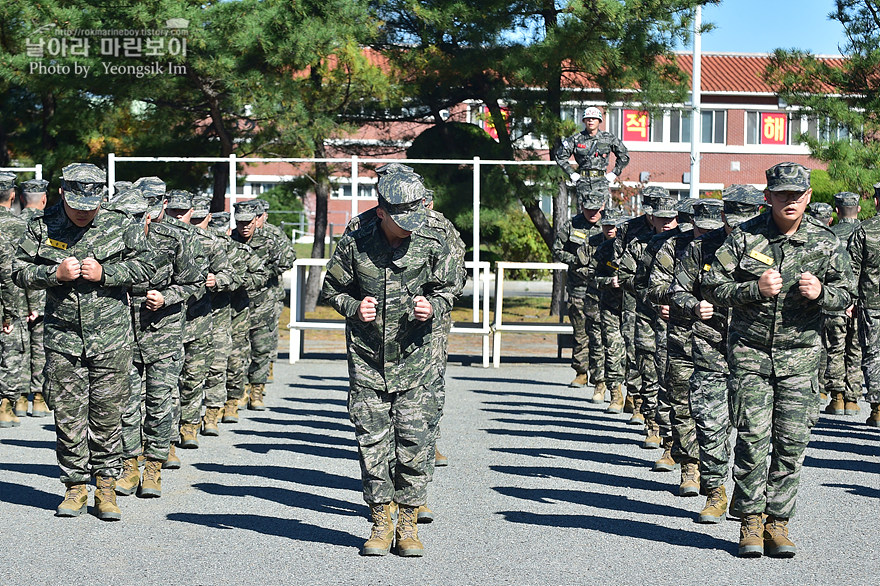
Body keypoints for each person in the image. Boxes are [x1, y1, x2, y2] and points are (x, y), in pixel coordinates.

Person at [702, 163, 855, 558]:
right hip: (750, 352)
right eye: (782, 193)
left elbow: (846, 294)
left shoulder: (825, 242)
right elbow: (714, 286)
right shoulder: (744, 237)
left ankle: (778, 522)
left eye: (797, 194)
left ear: (807, 197)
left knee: (791, 443)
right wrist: (752, 288)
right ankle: (750, 520)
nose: (790, 200)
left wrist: (822, 292)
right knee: (753, 438)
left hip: (801, 357)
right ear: (768, 196)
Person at [321, 171, 460, 557]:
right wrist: (353, 307)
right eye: (403, 219)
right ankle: (382, 522)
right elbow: (332, 287)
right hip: (368, 360)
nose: (411, 226)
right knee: (372, 443)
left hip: (417, 357)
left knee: (414, 444)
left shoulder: (433, 235)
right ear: (382, 212)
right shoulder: (356, 238)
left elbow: (451, 284)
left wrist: (435, 305)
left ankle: (409, 525)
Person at [12, 163, 157, 520]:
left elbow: (147, 267)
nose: (82, 213)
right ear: (62, 194)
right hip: (62, 340)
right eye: (76, 206)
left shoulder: (121, 222)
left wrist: (108, 274)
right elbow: (17, 271)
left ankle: (106, 488)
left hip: (110, 339)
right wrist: (53, 274)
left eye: (89, 207)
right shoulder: (41, 225)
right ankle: (75, 487)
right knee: (68, 417)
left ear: (101, 199)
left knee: (108, 417)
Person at [116, 181, 203, 498]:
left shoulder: (179, 235)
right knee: (126, 406)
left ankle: (153, 468)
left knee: (159, 404)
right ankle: (129, 466)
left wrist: (166, 297)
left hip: (163, 332)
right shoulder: (120, 232)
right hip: (124, 331)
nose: (146, 217)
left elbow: (194, 283)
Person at [552, 182, 605, 389]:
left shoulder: (610, 225)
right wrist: (575, 260)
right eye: (589, 210)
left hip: (602, 290)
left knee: (601, 333)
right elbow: (557, 249)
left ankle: (600, 376)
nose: (593, 214)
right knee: (580, 332)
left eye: (596, 210)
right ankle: (581, 372)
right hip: (579, 289)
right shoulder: (572, 225)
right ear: (582, 207)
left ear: (602, 207)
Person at [581, 209, 625, 409]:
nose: (610, 229)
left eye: (614, 225)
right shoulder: (596, 244)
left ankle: (632, 394)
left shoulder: (630, 245)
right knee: (600, 344)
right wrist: (609, 281)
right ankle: (602, 385)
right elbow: (588, 271)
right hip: (598, 300)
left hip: (627, 306)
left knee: (629, 350)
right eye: (607, 225)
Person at [823, 191, 863, 415]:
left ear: (836, 211)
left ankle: (836, 398)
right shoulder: (867, 232)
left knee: (834, 349)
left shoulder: (829, 235)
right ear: (858, 209)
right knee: (855, 350)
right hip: (859, 303)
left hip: (835, 301)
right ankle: (852, 399)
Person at [16, 179, 51, 418]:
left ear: (20, 199)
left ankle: (17, 398)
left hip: (14, 298)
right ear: (45, 199)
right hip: (41, 296)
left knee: (17, 348)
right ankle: (38, 398)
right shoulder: (49, 226)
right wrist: (37, 304)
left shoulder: (13, 224)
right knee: (39, 348)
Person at [847, 183, 880, 428]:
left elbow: (852, 270)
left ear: (876, 202)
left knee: (873, 355)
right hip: (870, 302)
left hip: (872, 303)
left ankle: (878, 409)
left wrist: (850, 300)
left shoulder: (865, 230)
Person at [0, 172, 30, 426]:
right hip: (7, 300)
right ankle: (5, 406)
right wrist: (10, 312)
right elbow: (13, 273)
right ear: (12, 196)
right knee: (11, 353)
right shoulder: (19, 227)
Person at [554, 106, 630, 197]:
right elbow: (560, 156)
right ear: (584, 121)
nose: (590, 121)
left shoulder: (609, 138)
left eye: (594, 119)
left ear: (599, 121)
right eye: (588, 119)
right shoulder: (575, 139)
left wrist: (614, 173)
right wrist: (571, 173)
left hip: (601, 181)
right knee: (583, 209)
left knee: (601, 210)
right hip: (583, 181)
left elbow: (624, 156)